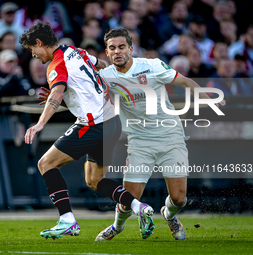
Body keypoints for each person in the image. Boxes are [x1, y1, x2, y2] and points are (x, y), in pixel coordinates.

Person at [19, 21, 155, 240]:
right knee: (95, 180)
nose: (33, 55)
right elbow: (100, 65)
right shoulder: (76, 52)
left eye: (32, 50)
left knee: (45, 164)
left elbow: (57, 93)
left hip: (93, 125)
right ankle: (140, 208)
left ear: (39, 43)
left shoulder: (56, 64)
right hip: (113, 122)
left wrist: (40, 123)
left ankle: (67, 221)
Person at [95, 28, 226, 241]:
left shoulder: (152, 65)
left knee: (179, 198)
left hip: (171, 136)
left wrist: (206, 97)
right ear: (107, 53)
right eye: (112, 48)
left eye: (121, 47)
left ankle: (169, 215)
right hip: (139, 141)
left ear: (131, 48)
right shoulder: (105, 77)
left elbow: (184, 82)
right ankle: (117, 226)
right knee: (130, 198)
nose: (117, 51)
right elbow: (82, 94)